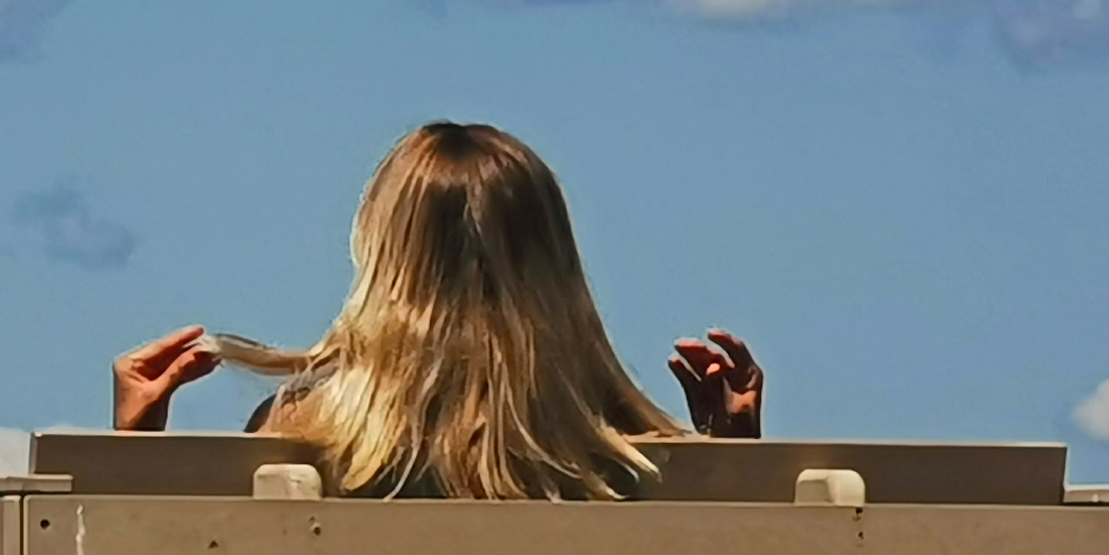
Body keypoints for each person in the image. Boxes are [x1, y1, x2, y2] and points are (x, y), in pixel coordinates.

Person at [109, 121, 762, 495]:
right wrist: (731, 463)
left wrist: (132, 456)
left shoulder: (304, 438)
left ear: (383, 256)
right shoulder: (628, 462)